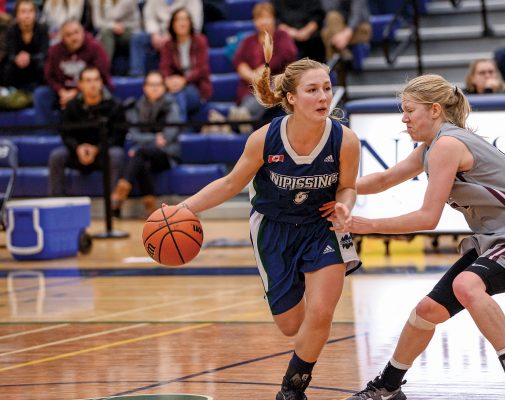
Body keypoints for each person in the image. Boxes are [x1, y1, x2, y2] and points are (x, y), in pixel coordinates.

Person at [327, 74, 505, 400]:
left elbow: (428, 217)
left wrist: (365, 225)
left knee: (466, 285)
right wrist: (329, 185)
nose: (404, 117)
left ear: (435, 110)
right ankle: (388, 385)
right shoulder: (432, 146)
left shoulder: (448, 145)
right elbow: (384, 179)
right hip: (498, 238)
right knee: (428, 310)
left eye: (410, 110)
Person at [171, 32, 361, 400]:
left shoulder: (344, 140)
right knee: (292, 325)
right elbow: (229, 184)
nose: (323, 97)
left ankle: (291, 390)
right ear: (290, 98)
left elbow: (348, 186)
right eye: (312, 90)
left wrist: (346, 205)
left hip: (322, 226)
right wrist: (184, 208)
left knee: (322, 313)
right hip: (273, 229)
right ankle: (297, 287)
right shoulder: (264, 139)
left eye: (326, 88)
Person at [111, 71, 182, 217]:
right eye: (151, 84)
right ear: (144, 87)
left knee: (139, 153)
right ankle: (150, 208)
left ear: (164, 87)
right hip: (146, 154)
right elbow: (135, 135)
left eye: (158, 85)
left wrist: (146, 141)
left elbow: (170, 135)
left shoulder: (171, 106)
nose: (154, 88)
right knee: (142, 161)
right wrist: (154, 138)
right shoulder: (136, 106)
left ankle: (120, 192)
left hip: (166, 154)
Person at [48, 66, 126, 196]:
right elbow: (66, 134)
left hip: (102, 153)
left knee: (116, 154)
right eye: (88, 80)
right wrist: (78, 148)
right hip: (77, 153)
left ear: (101, 83)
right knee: (57, 156)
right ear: (80, 84)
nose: (93, 84)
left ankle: (113, 206)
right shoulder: (72, 106)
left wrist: (97, 149)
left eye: (96, 80)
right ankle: (56, 203)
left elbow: (118, 137)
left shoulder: (114, 106)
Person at [33, 19, 112, 126]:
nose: (74, 38)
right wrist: (61, 91)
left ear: (83, 32)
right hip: (62, 91)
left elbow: (102, 75)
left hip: (88, 89)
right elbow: (49, 76)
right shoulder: (54, 50)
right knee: (40, 94)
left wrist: (76, 92)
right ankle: (45, 136)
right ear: (62, 37)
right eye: (69, 35)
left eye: (76, 32)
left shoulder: (95, 48)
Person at [232, 2, 297, 124]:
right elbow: (239, 61)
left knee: (270, 89)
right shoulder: (248, 40)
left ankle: (239, 117)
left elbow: (285, 56)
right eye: (259, 18)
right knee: (249, 95)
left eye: (267, 17)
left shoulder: (282, 36)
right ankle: (241, 117)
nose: (263, 21)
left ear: (273, 19)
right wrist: (252, 76)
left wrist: (264, 71)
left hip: (276, 84)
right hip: (251, 86)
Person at [159, 7, 211, 122]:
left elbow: (201, 69)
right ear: (172, 24)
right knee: (173, 95)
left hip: (197, 87)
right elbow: (164, 67)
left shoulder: (200, 41)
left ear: (190, 23)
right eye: (178, 20)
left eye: (185, 19)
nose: (182, 23)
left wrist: (184, 80)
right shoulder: (168, 45)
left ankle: (178, 128)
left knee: (178, 94)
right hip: (174, 86)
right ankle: (179, 129)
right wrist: (168, 80)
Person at [128, 0, 203, 77]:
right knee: (138, 39)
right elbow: (149, 18)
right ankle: (137, 75)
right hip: (158, 33)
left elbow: (195, 23)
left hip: (181, 35)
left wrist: (172, 34)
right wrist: (154, 33)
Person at [4, 0, 49, 91]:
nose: (27, 15)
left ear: (35, 14)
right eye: (23, 11)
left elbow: (44, 52)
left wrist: (30, 58)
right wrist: (16, 58)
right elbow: (10, 53)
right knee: (7, 66)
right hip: (17, 67)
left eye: (30, 11)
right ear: (17, 15)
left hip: (35, 65)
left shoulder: (42, 29)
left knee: (43, 65)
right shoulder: (11, 30)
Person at [91, 0, 141, 65]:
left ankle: (103, 68)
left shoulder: (129, 1)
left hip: (129, 31)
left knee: (106, 33)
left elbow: (135, 23)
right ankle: (104, 68)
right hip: (107, 32)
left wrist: (122, 26)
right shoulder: (97, 1)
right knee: (106, 33)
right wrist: (113, 26)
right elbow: (97, 22)